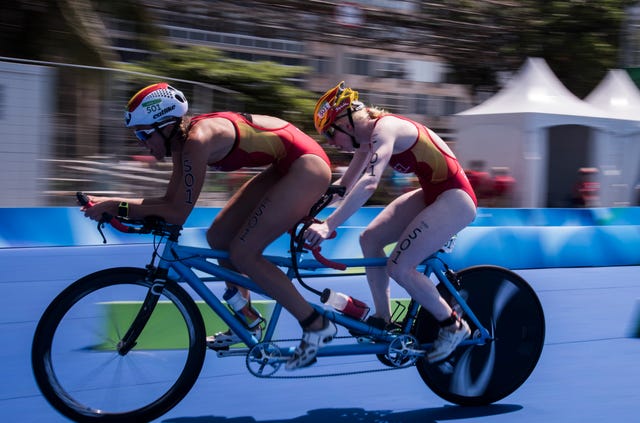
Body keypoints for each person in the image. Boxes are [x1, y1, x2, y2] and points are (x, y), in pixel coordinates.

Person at [82, 82, 336, 370]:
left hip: (307, 166)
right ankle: (247, 319)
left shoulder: (195, 142)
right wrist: (113, 203)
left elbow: (177, 213)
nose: (141, 142)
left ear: (165, 125)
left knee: (244, 253)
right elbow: (169, 201)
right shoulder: (180, 142)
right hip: (284, 164)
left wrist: (115, 206)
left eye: (143, 134)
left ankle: (316, 325)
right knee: (219, 236)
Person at [304, 82, 478, 363]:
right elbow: (343, 187)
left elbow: (370, 182)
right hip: (434, 194)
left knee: (400, 267)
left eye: (329, 134)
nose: (329, 143)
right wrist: (308, 212)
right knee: (369, 239)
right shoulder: (365, 142)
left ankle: (453, 325)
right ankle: (383, 319)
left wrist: (329, 226)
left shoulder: (385, 129)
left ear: (346, 123)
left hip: (455, 198)